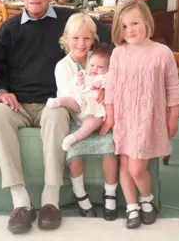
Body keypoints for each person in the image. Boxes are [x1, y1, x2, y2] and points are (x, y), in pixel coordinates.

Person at [0, 0, 112, 234]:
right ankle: (20, 202)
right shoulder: (9, 29)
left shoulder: (69, 20)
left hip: (52, 103)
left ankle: (50, 201)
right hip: (16, 104)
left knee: (56, 115)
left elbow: (107, 37)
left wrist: (109, 73)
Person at [100, 0, 179, 229]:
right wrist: (111, 116)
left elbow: (172, 88)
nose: (129, 30)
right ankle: (132, 206)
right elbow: (112, 88)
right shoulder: (118, 53)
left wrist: (173, 117)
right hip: (125, 117)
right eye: (124, 26)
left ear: (147, 21)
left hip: (149, 119)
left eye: (134, 23)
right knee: (125, 165)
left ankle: (147, 198)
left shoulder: (162, 52)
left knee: (137, 168)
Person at [46, 13, 118, 221]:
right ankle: (81, 195)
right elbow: (70, 98)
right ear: (66, 38)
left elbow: (112, 81)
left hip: (101, 116)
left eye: (86, 39)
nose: (81, 44)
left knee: (109, 148)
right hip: (78, 118)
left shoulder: (98, 61)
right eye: (76, 38)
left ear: (93, 40)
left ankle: (110, 194)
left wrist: (105, 91)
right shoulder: (63, 66)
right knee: (73, 152)